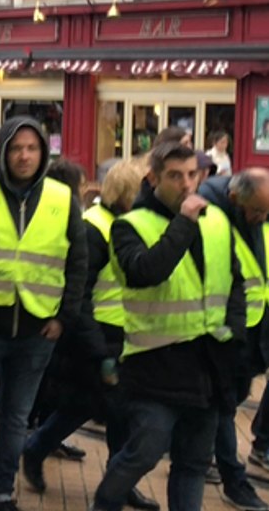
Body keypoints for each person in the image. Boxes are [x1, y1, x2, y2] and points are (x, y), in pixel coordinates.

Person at [91, 142, 244, 511]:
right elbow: (146, 272)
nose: (187, 184)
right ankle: (106, 500)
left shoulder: (217, 221)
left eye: (192, 174)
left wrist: (235, 334)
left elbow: (235, 282)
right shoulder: (130, 225)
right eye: (175, 176)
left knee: (193, 464)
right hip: (154, 366)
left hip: (206, 366)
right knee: (145, 452)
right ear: (153, 179)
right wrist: (184, 223)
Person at [0, 116, 88, 511]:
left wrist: (64, 318)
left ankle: (1, 489)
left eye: (32, 148)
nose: (24, 156)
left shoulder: (62, 198)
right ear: (1, 151)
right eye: (16, 148)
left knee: (15, 418)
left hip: (37, 330)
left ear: (43, 152)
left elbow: (78, 262)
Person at [21, 160, 159, 510]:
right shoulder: (95, 228)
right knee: (105, 410)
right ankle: (112, 479)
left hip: (122, 334)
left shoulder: (125, 224)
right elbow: (80, 293)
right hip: (96, 335)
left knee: (95, 407)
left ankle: (111, 478)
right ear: (127, 192)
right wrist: (98, 348)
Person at [199, 167, 269, 510]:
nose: (262, 217)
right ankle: (234, 480)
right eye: (257, 210)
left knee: (229, 401)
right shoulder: (211, 219)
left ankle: (202, 454)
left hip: (253, 331)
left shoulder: (254, 220)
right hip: (223, 332)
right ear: (234, 199)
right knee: (223, 407)